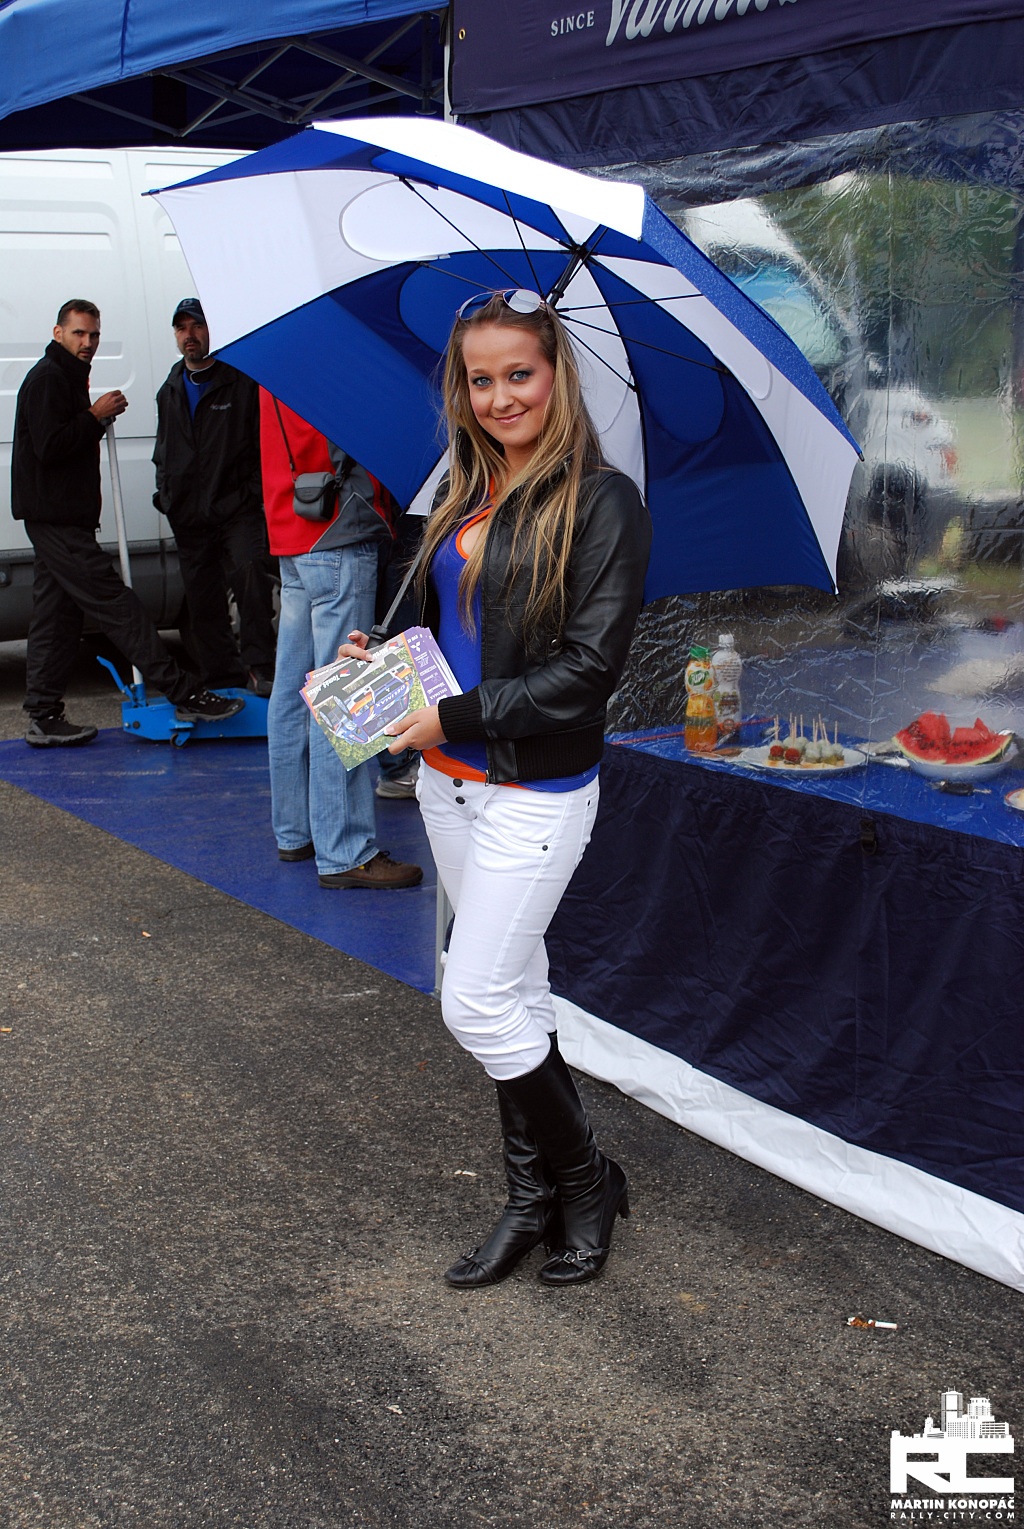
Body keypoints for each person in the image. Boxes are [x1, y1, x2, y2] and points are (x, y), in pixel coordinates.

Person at [341, 290, 651, 1285]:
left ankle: (587, 1178)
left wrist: (455, 716)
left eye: (520, 373)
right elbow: (451, 633)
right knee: (515, 991)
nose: (500, 396)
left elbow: (586, 674)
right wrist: (384, 658)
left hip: (535, 791)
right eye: (480, 379)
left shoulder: (601, 502)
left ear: (557, 375)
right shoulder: (462, 491)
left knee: (473, 1001)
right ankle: (531, 1194)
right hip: (448, 786)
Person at [12, 299, 244, 746]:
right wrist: (94, 416)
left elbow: (59, 444)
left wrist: (91, 420)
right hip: (56, 519)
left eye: (94, 335)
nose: (88, 342)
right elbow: (48, 446)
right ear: (58, 333)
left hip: (60, 518)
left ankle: (43, 714)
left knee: (56, 617)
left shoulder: (66, 376)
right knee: (117, 605)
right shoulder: (49, 379)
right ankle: (184, 692)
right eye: (79, 333)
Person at [259, 390, 422, 889]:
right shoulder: (335, 366)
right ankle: (345, 849)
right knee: (343, 694)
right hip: (339, 526)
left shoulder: (277, 356)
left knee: (292, 690)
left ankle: (296, 832)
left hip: (292, 522)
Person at [153, 299, 277, 695]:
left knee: (251, 581)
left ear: (212, 330)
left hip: (237, 510)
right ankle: (222, 678)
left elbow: (261, 446)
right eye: (182, 328)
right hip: (189, 515)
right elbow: (163, 450)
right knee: (202, 599)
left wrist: (250, 496)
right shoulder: (170, 389)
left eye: (197, 326)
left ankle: (260, 667)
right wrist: (167, 497)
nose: (189, 335)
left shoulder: (239, 382)